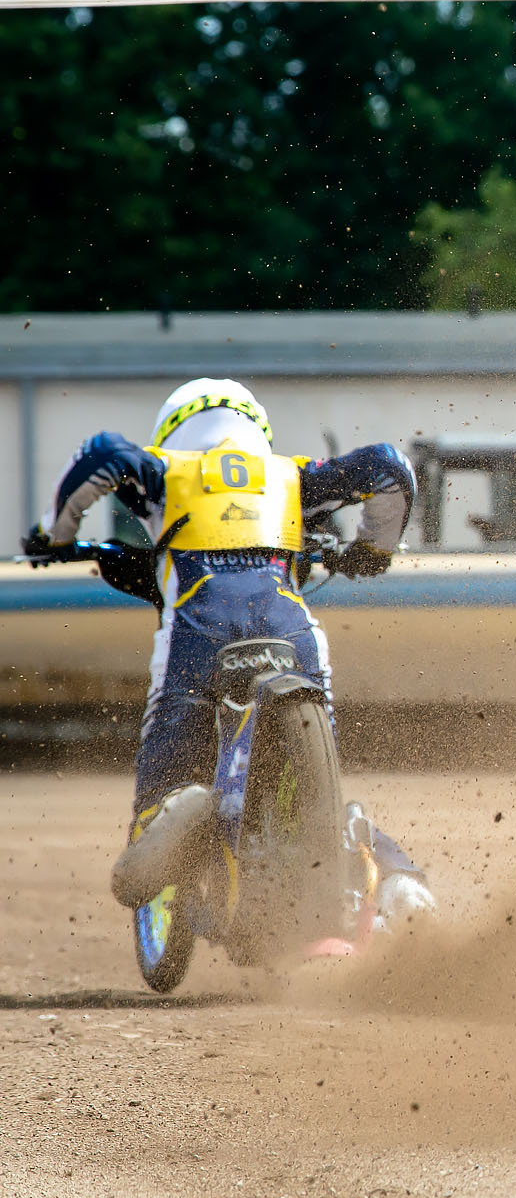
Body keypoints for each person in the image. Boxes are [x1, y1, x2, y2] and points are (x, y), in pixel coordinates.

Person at [27, 379, 436, 928]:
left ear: (174, 433)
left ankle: (170, 808)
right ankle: (400, 882)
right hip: (293, 630)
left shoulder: (167, 471)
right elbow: (390, 468)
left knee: (169, 728)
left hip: (200, 624)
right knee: (325, 793)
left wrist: (55, 534)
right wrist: (372, 550)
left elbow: (100, 452)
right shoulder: (289, 475)